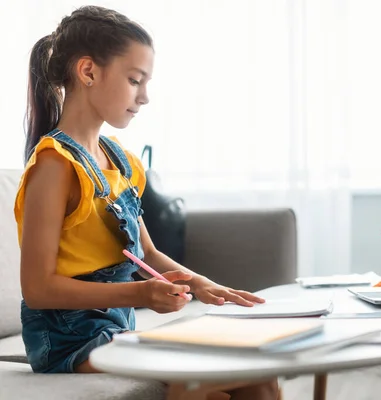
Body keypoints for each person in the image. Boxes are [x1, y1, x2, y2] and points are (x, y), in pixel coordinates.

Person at [15, 6, 279, 400]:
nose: (145, 97)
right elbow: (37, 289)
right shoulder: (54, 166)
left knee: (260, 376)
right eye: (135, 80)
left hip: (115, 329)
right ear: (88, 72)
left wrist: (203, 285)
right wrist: (139, 295)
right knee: (203, 383)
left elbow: (148, 252)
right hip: (68, 341)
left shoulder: (121, 160)